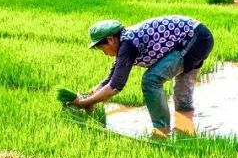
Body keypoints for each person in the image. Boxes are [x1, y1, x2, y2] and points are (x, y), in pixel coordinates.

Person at [72, 15, 214, 137]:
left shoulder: (127, 45)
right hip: (197, 38)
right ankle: (185, 127)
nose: (103, 52)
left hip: (195, 40)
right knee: (182, 98)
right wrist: (89, 95)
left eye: (101, 47)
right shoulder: (125, 41)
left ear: (110, 40)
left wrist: (86, 103)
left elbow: (115, 86)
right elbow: (110, 79)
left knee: (151, 80)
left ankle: (162, 131)